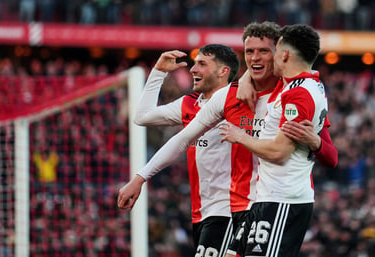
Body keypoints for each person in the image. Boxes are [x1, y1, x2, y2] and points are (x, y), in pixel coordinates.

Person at [118, 22, 337, 256]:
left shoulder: (291, 93)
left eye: (263, 51)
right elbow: (182, 138)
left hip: (274, 201)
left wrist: (315, 142)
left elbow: (331, 156)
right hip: (238, 207)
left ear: (279, 54)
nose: (255, 58)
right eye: (250, 51)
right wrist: (141, 177)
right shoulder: (230, 95)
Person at [119, 44, 241, 257]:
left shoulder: (238, 103)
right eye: (195, 64)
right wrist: (159, 72)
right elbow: (142, 116)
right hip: (201, 211)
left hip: (230, 209)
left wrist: (140, 178)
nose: (193, 69)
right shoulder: (189, 104)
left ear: (223, 72)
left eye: (202, 64)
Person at [220, 24, 329, 257]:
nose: (270, 58)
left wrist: (239, 136)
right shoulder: (304, 85)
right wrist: (246, 77)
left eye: (274, 51)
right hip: (265, 197)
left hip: (283, 199)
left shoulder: (298, 94)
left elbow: (279, 152)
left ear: (285, 54)